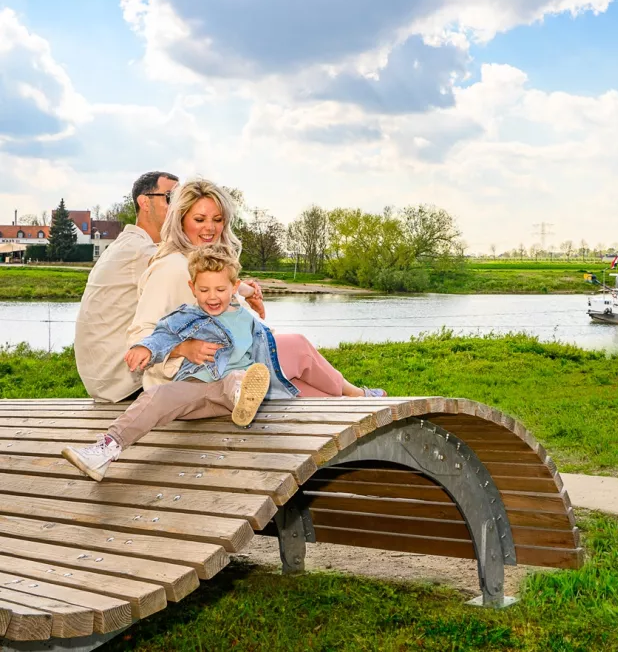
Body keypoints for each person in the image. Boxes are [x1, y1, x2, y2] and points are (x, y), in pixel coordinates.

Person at [127, 178, 384, 398]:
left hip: (231, 371)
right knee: (297, 346)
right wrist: (184, 348)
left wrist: (247, 292)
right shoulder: (171, 267)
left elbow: (217, 300)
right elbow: (138, 337)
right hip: (192, 380)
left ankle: (354, 402)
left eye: (217, 219)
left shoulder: (203, 264)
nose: (210, 228)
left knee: (316, 395)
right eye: (200, 219)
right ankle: (359, 394)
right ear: (181, 220)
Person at [62, 245, 291, 480]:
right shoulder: (187, 317)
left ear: (234, 288)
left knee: (238, 377)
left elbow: (266, 352)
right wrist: (146, 348)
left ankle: (244, 398)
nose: (212, 296)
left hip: (229, 389)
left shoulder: (248, 320)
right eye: (204, 289)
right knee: (155, 396)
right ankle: (105, 451)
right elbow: (162, 336)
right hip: (196, 388)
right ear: (192, 288)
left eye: (220, 289)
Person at [74, 171, 180, 403]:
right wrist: (241, 290)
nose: (180, 206)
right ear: (145, 202)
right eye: (171, 197)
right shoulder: (141, 251)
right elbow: (195, 283)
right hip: (123, 383)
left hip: (104, 378)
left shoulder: (129, 244)